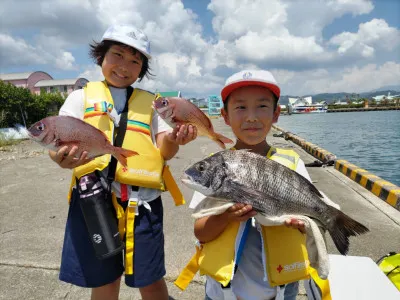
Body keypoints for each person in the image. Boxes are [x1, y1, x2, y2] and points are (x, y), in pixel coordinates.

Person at [49, 24, 197, 300]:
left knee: (151, 280)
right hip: (93, 202)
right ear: (100, 57)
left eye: (134, 60)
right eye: (117, 55)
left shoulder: (153, 104)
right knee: (105, 280)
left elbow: (164, 150)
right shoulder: (79, 98)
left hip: (142, 204)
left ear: (142, 69)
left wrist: (176, 138)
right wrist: (61, 159)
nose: (124, 66)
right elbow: (56, 145)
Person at [188, 70, 312, 300]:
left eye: (262, 107)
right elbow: (201, 232)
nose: (252, 117)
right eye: (241, 107)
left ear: (276, 114)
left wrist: (303, 224)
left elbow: (310, 223)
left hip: (281, 291)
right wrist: (226, 217)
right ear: (225, 116)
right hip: (223, 293)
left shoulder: (293, 165)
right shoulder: (218, 168)